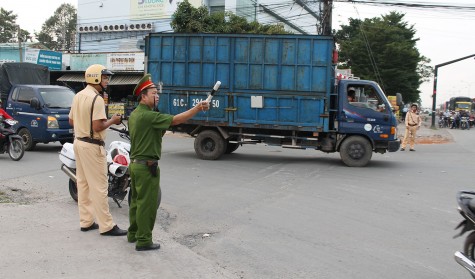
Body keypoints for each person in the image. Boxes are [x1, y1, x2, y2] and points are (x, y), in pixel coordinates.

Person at [127, 74, 210, 251]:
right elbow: (175, 120)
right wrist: (197, 108)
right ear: (143, 96)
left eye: (157, 94)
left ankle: (133, 233)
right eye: (153, 93)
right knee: (146, 205)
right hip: (146, 167)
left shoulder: (135, 115)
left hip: (135, 165)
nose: (157, 96)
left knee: (136, 202)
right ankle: (143, 240)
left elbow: (153, 134)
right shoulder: (148, 116)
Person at [68, 64, 127, 236]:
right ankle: (107, 225)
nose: (107, 80)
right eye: (105, 77)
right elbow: (98, 125)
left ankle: (86, 221)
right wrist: (113, 120)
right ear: (95, 78)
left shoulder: (78, 96)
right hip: (93, 145)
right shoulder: (97, 99)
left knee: (83, 184)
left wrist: (84, 125)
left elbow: (72, 121)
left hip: (78, 142)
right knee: (100, 187)